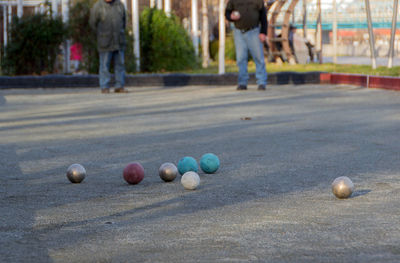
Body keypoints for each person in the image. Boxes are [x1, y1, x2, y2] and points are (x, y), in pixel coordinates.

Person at [225, 0, 268, 91]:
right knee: (241, 58)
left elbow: (263, 16)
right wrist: (231, 17)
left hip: (254, 31)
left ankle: (261, 82)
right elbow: (227, 12)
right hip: (239, 32)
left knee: (259, 58)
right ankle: (242, 83)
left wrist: (263, 32)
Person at [90, 0, 127, 93]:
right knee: (104, 65)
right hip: (105, 41)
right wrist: (101, 34)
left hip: (119, 41)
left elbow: (124, 21)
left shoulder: (120, 5)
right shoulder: (98, 6)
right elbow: (93, 23)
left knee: (120, 65)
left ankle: (119, 86)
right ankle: (104, 86)